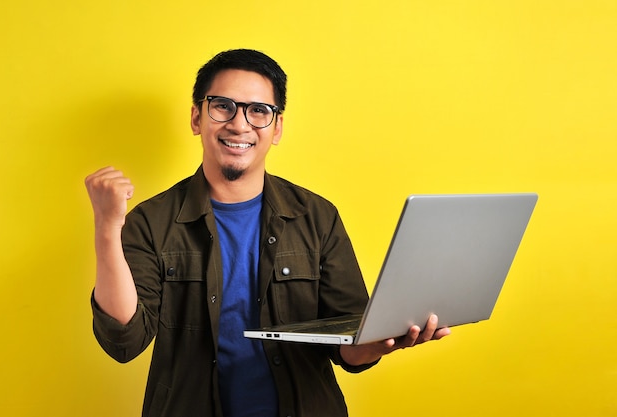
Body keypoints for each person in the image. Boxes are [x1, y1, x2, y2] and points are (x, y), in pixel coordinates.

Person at [85, 48, 450, 417]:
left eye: (258, 111)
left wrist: (384, 341)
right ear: (197, 117)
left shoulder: (317, 217)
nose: (240, 125)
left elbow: (348, 348)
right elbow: (124, 341)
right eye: (223, 105)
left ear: (276, 128)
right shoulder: (152, 220)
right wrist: (107, 228)